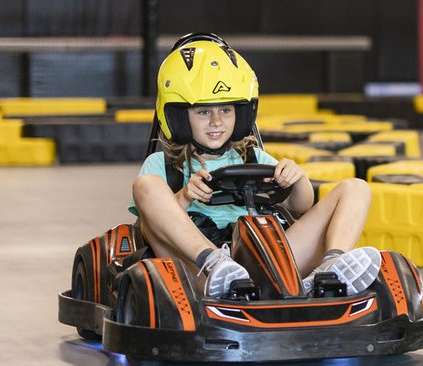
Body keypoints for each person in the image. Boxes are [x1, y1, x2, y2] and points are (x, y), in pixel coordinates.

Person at [129, 36, 379, 300]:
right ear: (178, 116)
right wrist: (185, 195)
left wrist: (296, 179)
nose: (216, 121)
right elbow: (150, 226)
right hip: (197, 268)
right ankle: (217, 265)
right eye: (203, 112)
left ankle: (330, 269)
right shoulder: (162, 166)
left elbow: (300, 207)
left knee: (356, 187)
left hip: (266, 258)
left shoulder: (253, 157)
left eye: (225, 110)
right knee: (146, 186)